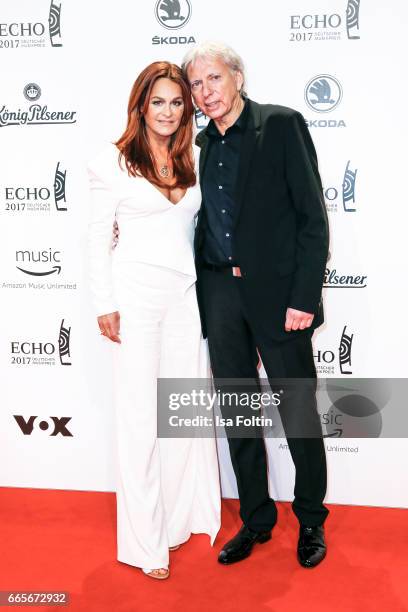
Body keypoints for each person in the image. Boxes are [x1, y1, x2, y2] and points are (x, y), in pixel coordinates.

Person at [182, 42, 329, 568]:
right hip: (220, 293)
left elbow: (313, 220)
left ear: (238, 77)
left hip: (280, 298)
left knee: (298, 413)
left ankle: (311, 520)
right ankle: (256, 520)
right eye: (196, 85)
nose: (204, 94)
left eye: (213, 80)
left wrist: (303, 299)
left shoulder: (282, 125)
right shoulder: (197, 145)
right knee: (239, 414)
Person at [87, 61, 221, 580]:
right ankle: (146, 545)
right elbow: (98, 239)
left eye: (176, 102)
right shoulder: (112, 162)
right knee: (142, 419)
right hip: (135, 299)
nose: (167, 112)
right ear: (141, 105)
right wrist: (105, 303)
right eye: (158, 101)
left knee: (183, 413)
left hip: (185, 297)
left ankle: (181, 520)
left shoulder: (194, 156)